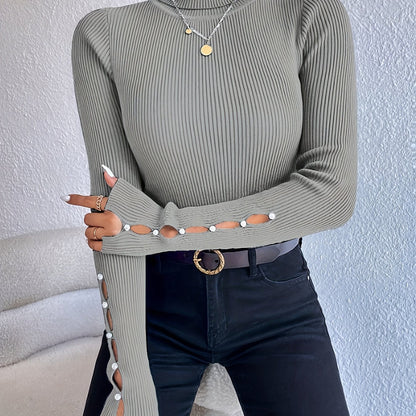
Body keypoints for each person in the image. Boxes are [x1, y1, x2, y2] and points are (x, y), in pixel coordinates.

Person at [63, 0, 357, 415]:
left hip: (276, 304)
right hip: (155, 305)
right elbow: (118, 222)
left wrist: (162, 228)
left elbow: (331, 194)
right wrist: (129, 373)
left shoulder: (308, 13)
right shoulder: (103, 35)